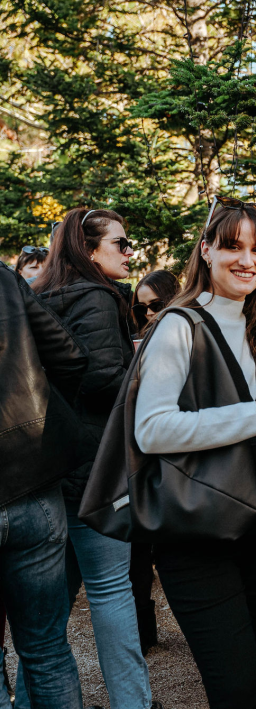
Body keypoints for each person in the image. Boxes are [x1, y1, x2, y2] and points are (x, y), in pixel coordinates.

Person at [132, 196, 256, 709]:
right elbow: (152, 430)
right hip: (197, 532)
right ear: (206, 250)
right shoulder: (177, 325)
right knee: (233, 688)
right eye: (232, 246)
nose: (247, 260)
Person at [30, 208, 157, 709]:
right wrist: (139, 365)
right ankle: (134, 702)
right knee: (110, 590)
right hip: (94, 470)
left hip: (45, 471)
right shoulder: (99, 298)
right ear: (88, 249)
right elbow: (103, 379)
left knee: (50, 610)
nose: (130, 253)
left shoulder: (39, 296)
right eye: (121, 244)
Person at [0, 263, 87, 709]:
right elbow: (70, 356)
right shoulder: (3, 277)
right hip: (32, 480)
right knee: (48, 650)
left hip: (32, 483)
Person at [127, 269, 180, 655]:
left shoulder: (185, 333)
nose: (148, 314)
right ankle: (145, 632)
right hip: (144, 460)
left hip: (180, 462)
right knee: (142, 551)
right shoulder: (141, 340)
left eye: (155, 305)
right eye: (140, 308)